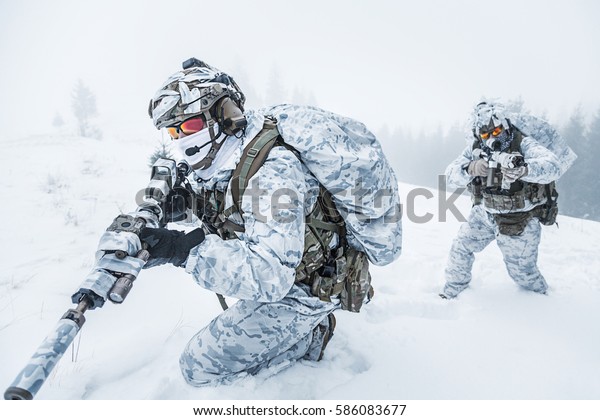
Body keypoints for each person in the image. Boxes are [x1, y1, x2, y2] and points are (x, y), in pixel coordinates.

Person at [96, 58, 402, 386]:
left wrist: (181, 250)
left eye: (190, 126)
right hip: (288, 267)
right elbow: (229, 209)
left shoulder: (272, 173)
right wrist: (183, 209)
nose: (181, 138)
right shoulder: (226, 151)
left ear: (223, 115)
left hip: (309, 284)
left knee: (198, 367)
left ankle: (313, 334)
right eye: (174, 130)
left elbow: (269, 278)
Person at [440, 101, 574, 299]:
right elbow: (449, 176)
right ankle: (452, 291)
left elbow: (552, 165)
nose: (492, 137)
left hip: (520, 220)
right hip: (484, 213)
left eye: (496, 130)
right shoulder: (476, 148)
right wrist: (469, 168)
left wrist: (525, 170)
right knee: (461, 248)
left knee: (523, 274)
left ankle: (543, 302)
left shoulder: (523, 142)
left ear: (505, 124)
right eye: (485, 134)